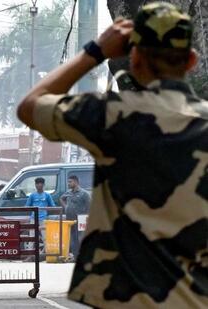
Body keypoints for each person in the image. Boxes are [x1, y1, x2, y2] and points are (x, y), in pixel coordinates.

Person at [16, 2, 207, 307]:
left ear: (135, 59)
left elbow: (30, 106)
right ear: (192, 61)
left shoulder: (111, 116)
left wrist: (96, 50)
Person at [59, 175, 90, 258]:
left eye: (70, 182)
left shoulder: (84, 193)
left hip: (80, 220)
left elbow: (89, 206)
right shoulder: (68, 192)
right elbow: (61, 198)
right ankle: (75, 257)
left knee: (81, 238)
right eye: (68, 182)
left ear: (76, 182)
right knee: (73, 239)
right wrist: (66, 207)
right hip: (70, 219)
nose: (68, 184)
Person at [25, 177, 56, 252]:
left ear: (43, 184)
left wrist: (47, 211)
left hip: (43, 219)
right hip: (33, 218)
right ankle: (30, 254)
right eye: (37, 184)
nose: (39, 185)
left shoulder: (47, 195)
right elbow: (26, 206)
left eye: (41, 183)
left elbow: (53, 206)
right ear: (35, 185)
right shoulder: (32, 195)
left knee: (45, 237)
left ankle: (48, 254)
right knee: (32, 237)